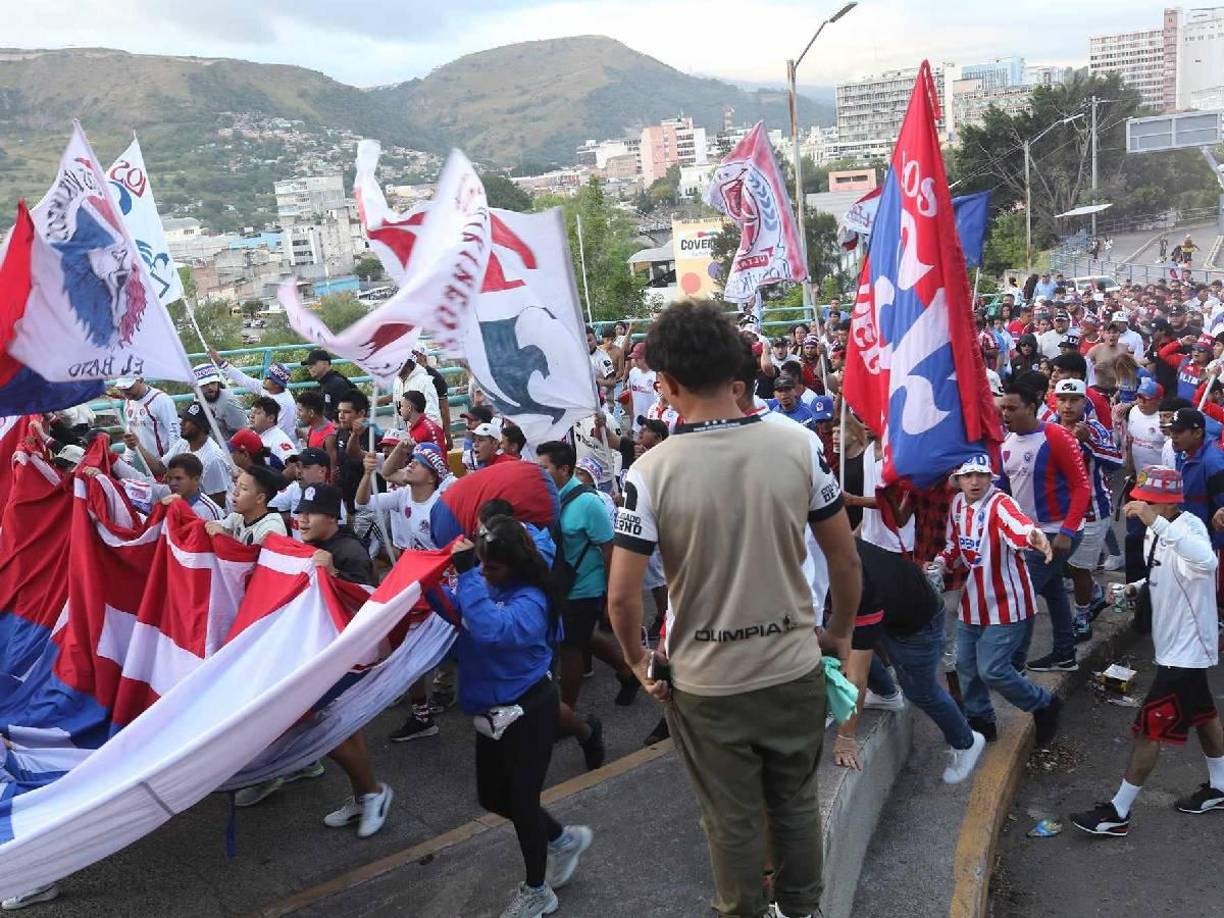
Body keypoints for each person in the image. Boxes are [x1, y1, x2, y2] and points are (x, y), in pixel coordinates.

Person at [606, 301, 861, 918]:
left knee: (731, 819)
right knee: (796, 803)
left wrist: (642, 662)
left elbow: (621, 597)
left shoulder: (648, 472)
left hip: (705, 683)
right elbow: (847, 564)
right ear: (737, 371)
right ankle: (803, 910)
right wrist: (838, 636)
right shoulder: (800, 445)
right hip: (794, 664)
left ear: (663, 385)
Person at [429, 516, 594, 918]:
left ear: (517, 565)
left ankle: (537, 891)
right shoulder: (489, 585)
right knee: (492, 797)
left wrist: (468, 576)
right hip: (492, 712)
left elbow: (489, 629)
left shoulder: (533, 601)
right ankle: (561, 838)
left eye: (493, 567)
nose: (485, 572)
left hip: (528, 711)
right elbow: (459, 611)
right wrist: (425, 580)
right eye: (481, 564)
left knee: (522, 803)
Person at [1070, 466, 1224, 836]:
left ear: (1169, 503)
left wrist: (1157, 522)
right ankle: (1221, 787)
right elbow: (1160, 571)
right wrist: (1136, 587)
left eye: (1147, 502)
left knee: (1148, 730)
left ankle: (1118, 813)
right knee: (1203, 715)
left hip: (1186, 650)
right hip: (1174, 645)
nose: (1138, 508)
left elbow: (1206, 562)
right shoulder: (1155, 532)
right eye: (1139, 501)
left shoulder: (1187, 527)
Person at [933, 454, 1063, 746]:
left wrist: (1034, 537)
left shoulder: (1000, 503)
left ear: (991, 477)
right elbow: (955, 546)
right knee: (965, 665)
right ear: (958, 480)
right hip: (973, 602)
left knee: (992, 669)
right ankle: (981, 720)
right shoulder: (957, 505)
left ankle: (1043, 704)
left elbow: (1018, 526)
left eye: (981, 474)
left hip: (1009, 603)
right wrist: (941, 563)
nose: (975, 481)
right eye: (968, 476)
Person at [845, 537, 986, 783]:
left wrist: (845, 738)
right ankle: (887, 695)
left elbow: (857, 674)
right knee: (844, 640)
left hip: (917, 623)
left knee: (921, 691)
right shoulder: (829, 542)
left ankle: (966, 741)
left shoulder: (858, 584)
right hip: (897, 607)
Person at [536, 440, 635, 770]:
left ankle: (567, 711)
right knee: (580, 638)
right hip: (561, 586)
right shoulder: (550, 498)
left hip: (585, 588)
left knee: (570, 648)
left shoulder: (588, 503)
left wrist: (609, 595)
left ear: (563, 469)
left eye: (545, 467)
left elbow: (609, 548)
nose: (540, 472)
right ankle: (626, 671)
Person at [998, 380, 1091, 672]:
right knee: (1052, 592)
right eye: (1003, 408)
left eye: (1012, 408)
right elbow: (1003, 490)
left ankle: (1013, 665)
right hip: (1029, 534)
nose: (1006, 414)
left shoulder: (1057, 436)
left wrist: (1066, 532)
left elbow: (1081, 487)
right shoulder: (1007, 443)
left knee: (1020, 599)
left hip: (1055, 534)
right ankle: (1064, 654)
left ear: (1031, 407)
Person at [1051, 378, 1122, 640]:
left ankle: (1082, 619)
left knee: (1079, 569)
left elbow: (1116, 462)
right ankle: (1094, 593)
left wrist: (1089, 443)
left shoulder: (1094, 429)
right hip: (1058, 511)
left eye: (1074, 400)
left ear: (1084, 402)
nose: (1067, 406)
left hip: (1092, 512)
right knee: (1063, 566)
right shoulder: (1048, 426)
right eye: (1062, 400)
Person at [122, 402, 230, 506]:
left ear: (201, 426)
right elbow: (159, 468)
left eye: (188, 421)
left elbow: (219, 501)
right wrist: (138, 445)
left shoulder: (213, 458)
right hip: (184, 504)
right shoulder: (183, 443)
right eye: (183, 419)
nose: (181, 423)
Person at [210, 349, 297, 444]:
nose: (264, 378)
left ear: (277, 384)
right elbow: (244, 379)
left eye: (268, 377)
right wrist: (220, 362)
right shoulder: (268, 388)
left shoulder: (285, 404)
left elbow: (281, 434)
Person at [269, 447, 347, 538]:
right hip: (297, 549)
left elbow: (339, 538)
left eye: (306, 467)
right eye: (297, 466)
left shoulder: (331, 499)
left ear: (322, 471)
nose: (299, 471)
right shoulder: (295, 488)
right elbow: (266, 503)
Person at [205, 466, 288, 545]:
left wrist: (226, 537)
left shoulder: (272, 529)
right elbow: (213, 526)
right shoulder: (238, 516)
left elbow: (256, 558)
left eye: (244, 488)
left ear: (260, 498)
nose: (235, 492)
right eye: (236, 485)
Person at [112, 376, 179, 462]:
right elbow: (131, 432)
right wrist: (128, 460)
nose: (125, 393)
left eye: (129, 388)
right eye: (122, 389)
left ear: (141, 380)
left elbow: (174, 433)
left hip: (163, 463)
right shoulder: (128, 402)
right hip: (145, 462)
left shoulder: (162, 400)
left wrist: (172, 462)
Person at [192, 363, 249, 444]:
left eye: (213, 382)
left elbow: (244, 432)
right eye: (204, 385)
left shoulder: (227, 402)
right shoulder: (198, 398)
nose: (210, 387)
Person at [391, 356, 443, 427]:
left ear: (406, 365)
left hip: (424, 433)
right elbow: (397, 413)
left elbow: (432, 414)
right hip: (405, 434)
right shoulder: (397, 382)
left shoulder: (424, 381)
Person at [301, 349, 352, 421]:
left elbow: (344, 413)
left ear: (325, 363)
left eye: (313, 363)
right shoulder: (322, 384)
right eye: (308, 365)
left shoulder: (337, 384)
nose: (309, 367)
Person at [296, 390, 338, 472]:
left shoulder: (329, 436)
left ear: (311, 412)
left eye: (300, 410)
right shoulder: (314, 427)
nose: (298, 414)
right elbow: (315, 444)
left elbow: (333, 468)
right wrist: (301, 433)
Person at [249, 395, 298, 464]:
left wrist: (273, 475)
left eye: (257, 413)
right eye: (251, 412)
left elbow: (294, 466)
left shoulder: (279, 440)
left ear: (271, 418)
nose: (251, 416)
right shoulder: (253, 434)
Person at [399, 389, 447, 455]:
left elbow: (440, 457)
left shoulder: (430, 429)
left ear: (409, 408)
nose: (400, 410)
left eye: (402, 406)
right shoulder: (413, 428)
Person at [625, 344, 657, 432]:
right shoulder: (633, 373)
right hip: (637, 425)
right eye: (634, 358)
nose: (635, 360)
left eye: (638, 358)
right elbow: (631, 399)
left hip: (653, 425)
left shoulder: (656, 375)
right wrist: (632, 423)